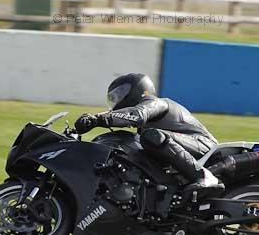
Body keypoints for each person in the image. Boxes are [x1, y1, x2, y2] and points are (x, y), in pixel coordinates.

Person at [74, 73, 223, 192]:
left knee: (152, 136)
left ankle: (204, 177)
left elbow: (136, 115)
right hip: (184, 147)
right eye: (113, 98)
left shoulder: (156, 102)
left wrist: (97, 119)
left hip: (203, 144)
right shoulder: (145, 125)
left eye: (120, 93)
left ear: (138, 89)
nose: (117, 101)